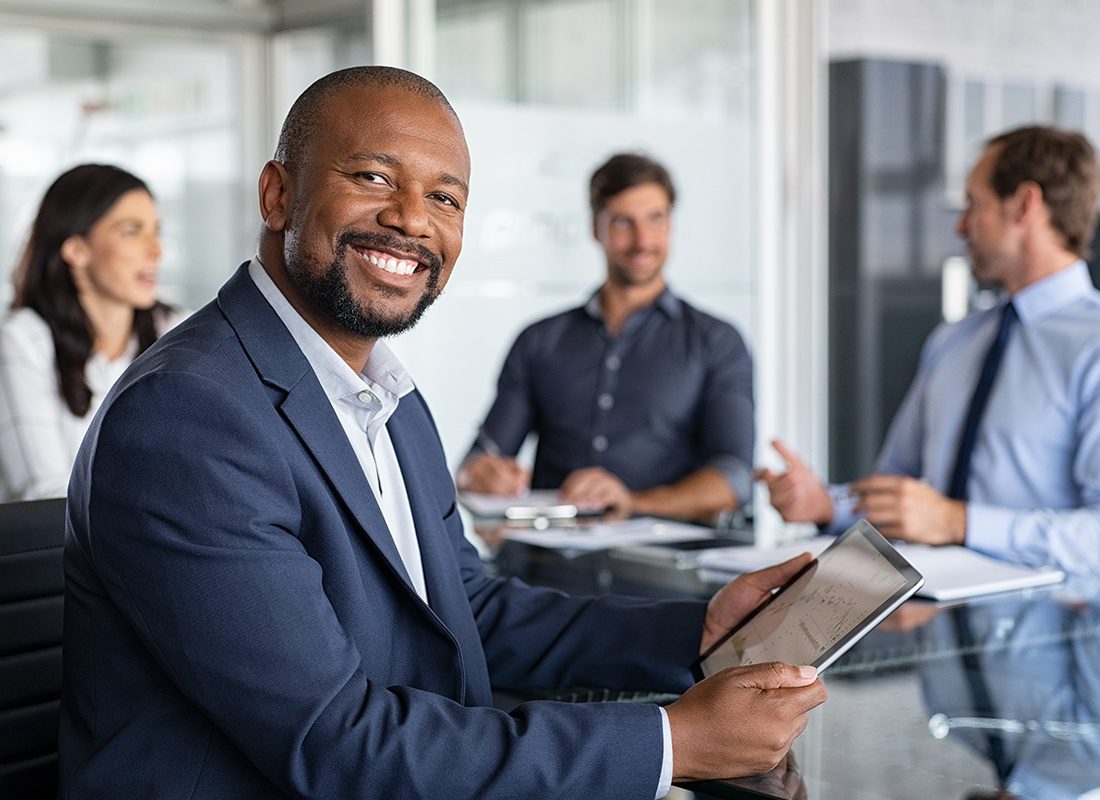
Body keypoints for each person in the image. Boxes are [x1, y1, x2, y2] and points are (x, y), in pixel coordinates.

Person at [59, 67, 826, 798]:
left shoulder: (384, 394)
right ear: (278, 193)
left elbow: (466, 611)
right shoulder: (190, 415)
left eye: (447, 199)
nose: (413, 220)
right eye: (374, 178)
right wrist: (672, 743)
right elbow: (335, 743)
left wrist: (698, 631)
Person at [758, 125, 1100, 575]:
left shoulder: (1092, 345)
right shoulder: (954, 341)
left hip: (1054, 632)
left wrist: (959, 522)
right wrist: (826, 505)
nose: (960, 226)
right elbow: (902, 493)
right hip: (932, 622)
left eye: (972, 204)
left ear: (1024, 205)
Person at [457, 153, 753, 522]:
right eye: (623, 222)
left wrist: (633, 502)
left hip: (665, 567)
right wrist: (480, 473)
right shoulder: (538, 341)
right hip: (548, 562)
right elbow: (480, 457)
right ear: (595, 228)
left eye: (656, 219)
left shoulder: (717, 342)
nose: (643, 240)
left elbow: (734, 478)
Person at [0, 163, 184, 501]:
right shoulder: (22, 341)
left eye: (156, 232)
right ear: (76, 250)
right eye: (132, 231)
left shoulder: (178, 331)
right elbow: (42, 497)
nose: (156, 250)